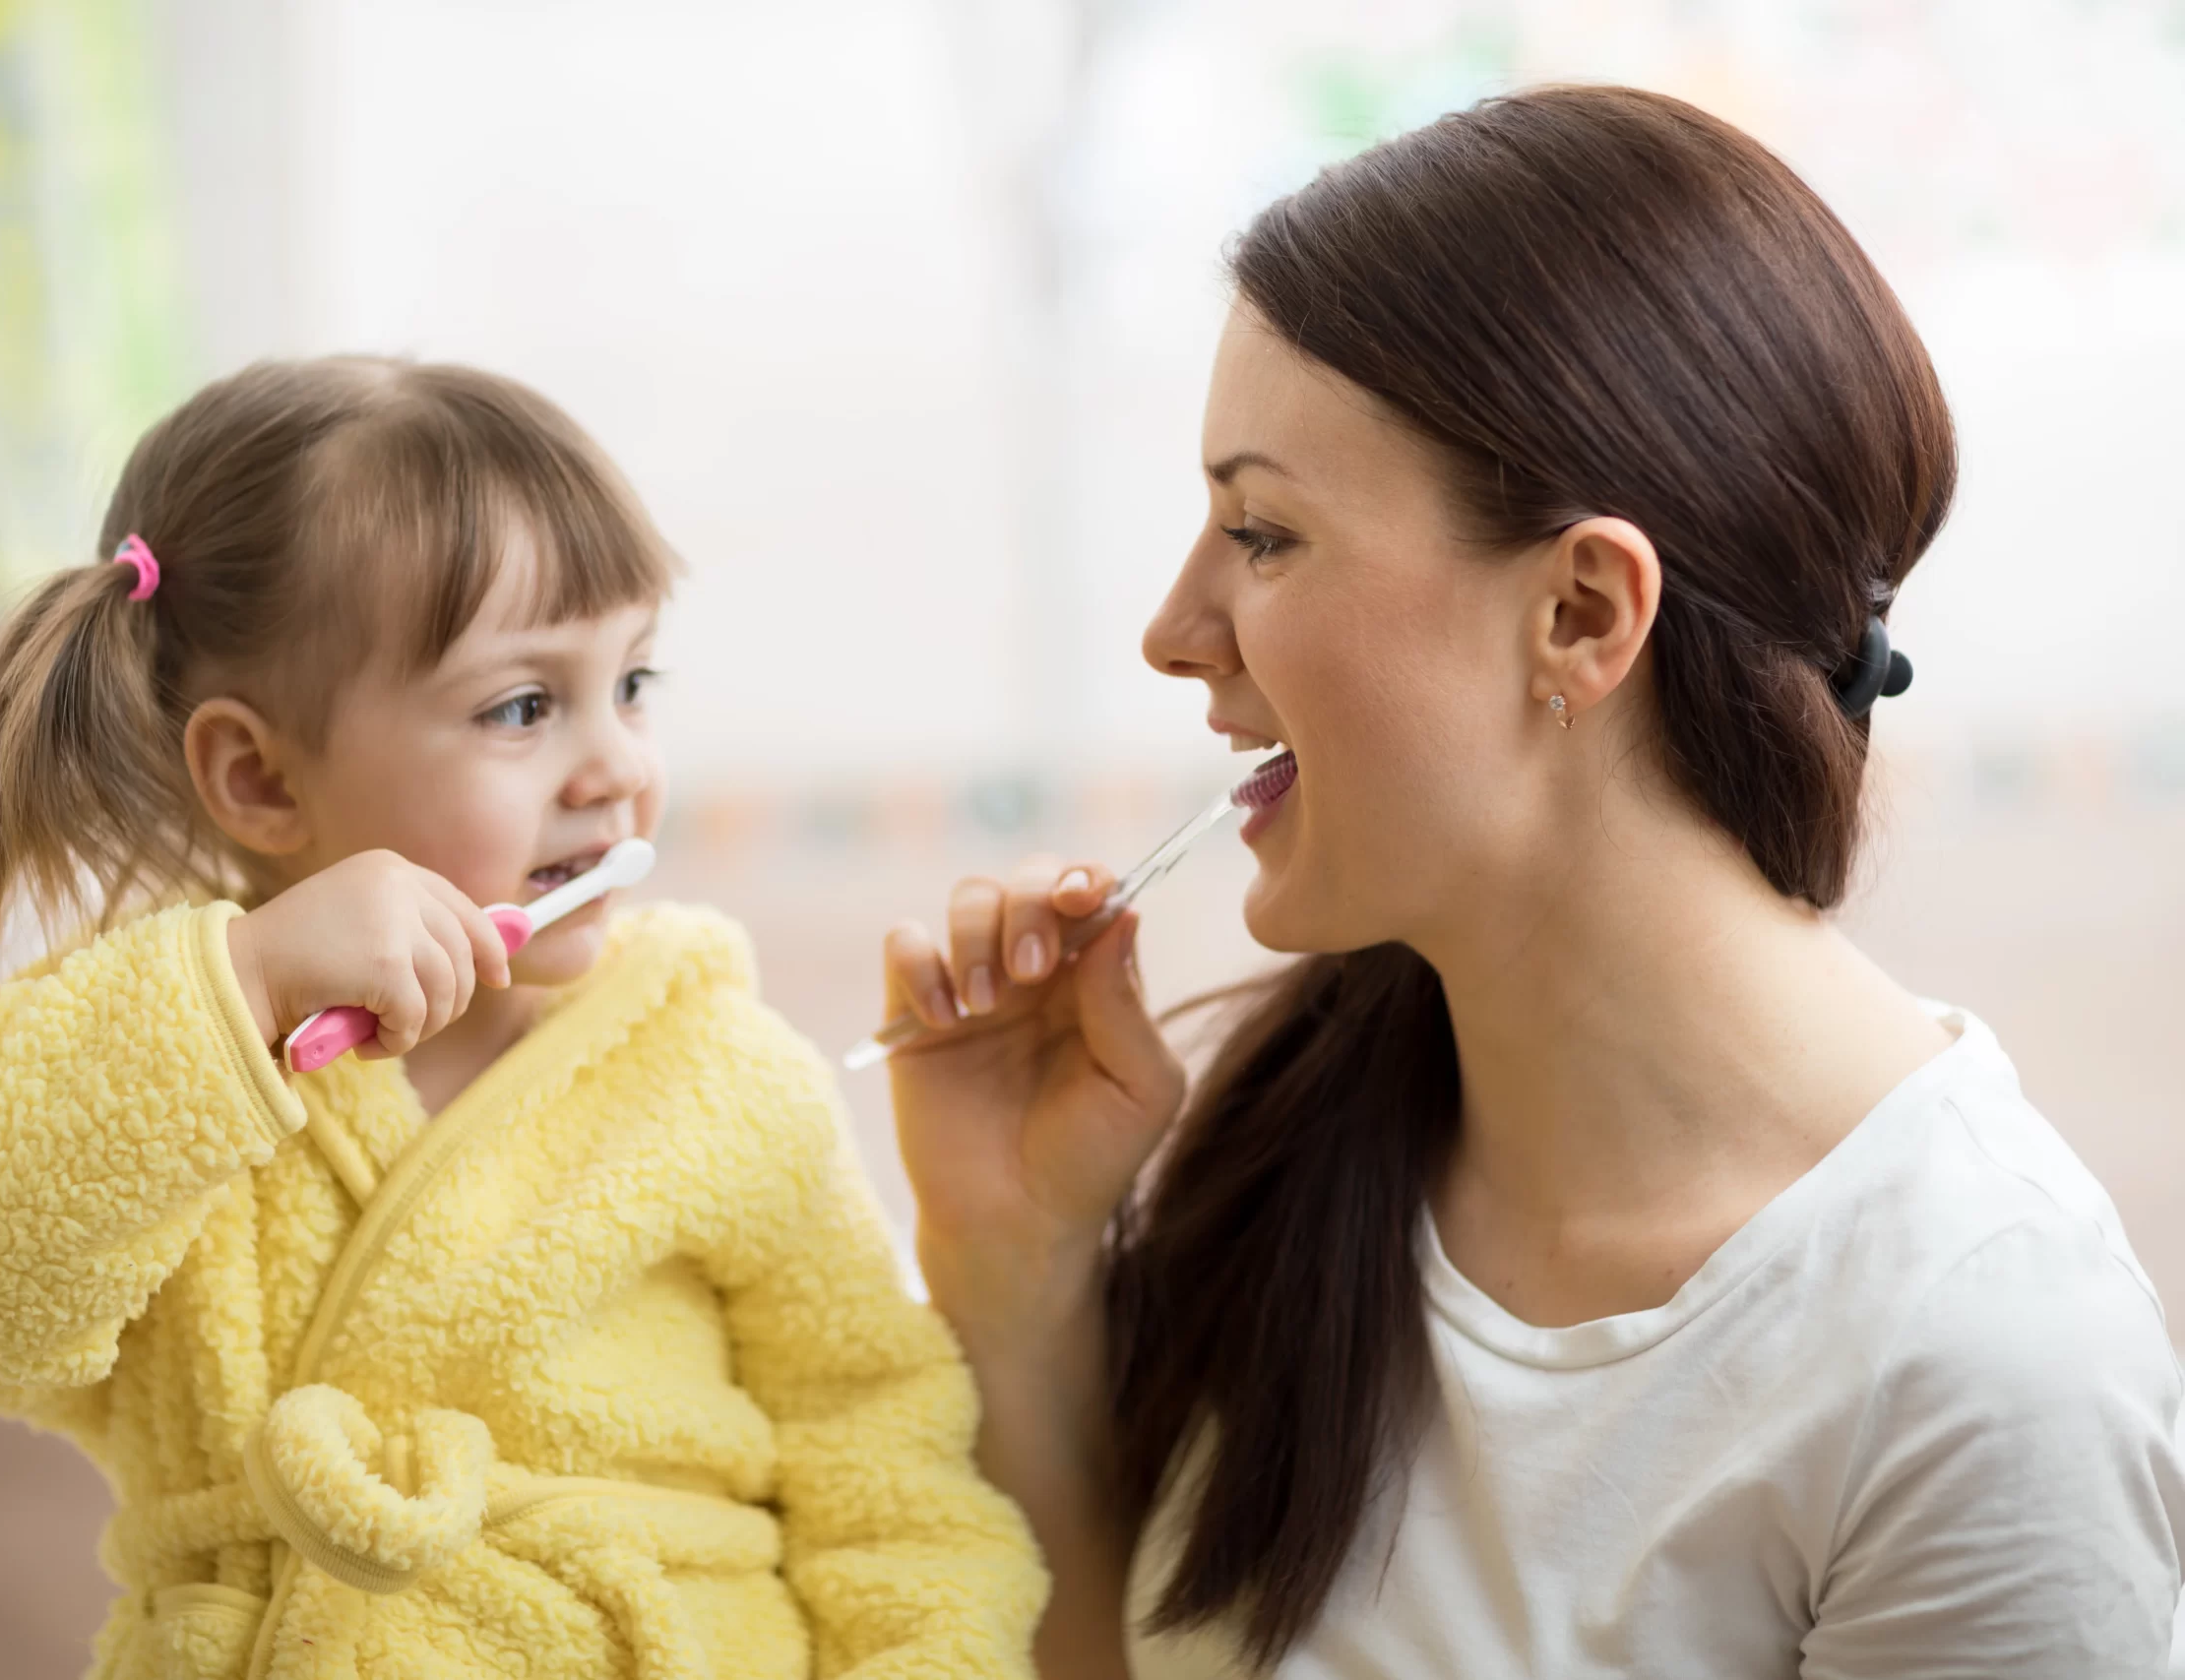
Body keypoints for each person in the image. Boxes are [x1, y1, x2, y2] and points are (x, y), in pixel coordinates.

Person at [879, 86, 2184, 1677]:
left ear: (1580, 613)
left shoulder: (1979, 1357)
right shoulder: (1301, 1129)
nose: (1175, 627)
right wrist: (1014, 1263)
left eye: (1263, 532)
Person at [0, 357, 1043, 1680]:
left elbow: (888, 1464)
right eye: (525, 706)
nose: (619, 767)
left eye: (634, 683)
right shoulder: (157, 1056)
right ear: (257, 776)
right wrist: (238, 988)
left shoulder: (715, 1072)